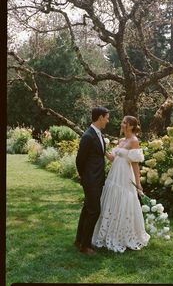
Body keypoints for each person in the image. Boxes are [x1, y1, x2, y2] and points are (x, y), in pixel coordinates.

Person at [92, 115, 150, 252]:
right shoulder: (121, 140)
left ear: (131, 126)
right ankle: (106, 233)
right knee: (111, 199)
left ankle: (123, 235)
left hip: (125, 176)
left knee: (124, 200)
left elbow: (135, 165)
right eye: (123, 122)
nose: (122, 124)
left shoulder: (134, 141)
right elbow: (114, 159)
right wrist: (103, 149)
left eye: (125, 123)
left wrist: (138, 183)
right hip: (114, 174)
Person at [75, 106, 109, 255]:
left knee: (87, 209)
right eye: (107, 117)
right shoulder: (88, 136)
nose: (108, 120)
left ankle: (79, 240)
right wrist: (85, 176)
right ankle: (85, 246)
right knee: (94, 211)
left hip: (97, 179)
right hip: (91, 180)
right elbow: (79, 160)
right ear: (100, 117)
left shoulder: (98, 134)